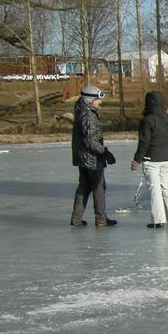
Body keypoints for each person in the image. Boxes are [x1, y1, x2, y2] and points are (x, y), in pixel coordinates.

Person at [131, 91, 168, 228]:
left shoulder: (147, 120)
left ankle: (158, 220)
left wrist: (137, 160)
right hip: (166, 158)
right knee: (166, 187)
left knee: (155, 189)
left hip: (151, 159)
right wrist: (167, 152)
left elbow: (144, 142)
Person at [70, 84, 117, 227]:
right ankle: (101, 218)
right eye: (98, 99)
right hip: (91, 158)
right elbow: (90, 140)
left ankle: (76, 218)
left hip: (83, 157)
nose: (100, 102)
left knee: (84, 186)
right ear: (89, 100)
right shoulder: (88, 115)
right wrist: (104, 152)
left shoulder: (83, 111)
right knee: (98, 187)